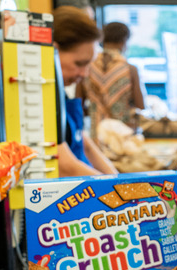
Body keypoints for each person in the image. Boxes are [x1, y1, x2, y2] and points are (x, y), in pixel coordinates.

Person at [53, 6, 117, 176]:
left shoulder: (62, 93)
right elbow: (64, 165)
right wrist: (116, 188)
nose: (85, 73)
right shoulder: (39, 98)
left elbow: (85, 144)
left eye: (89, 65)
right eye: (79, 64)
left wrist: (119, 179)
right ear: (53, 50)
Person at [84, 22, 145, 140]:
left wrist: (96, 110)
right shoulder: (129, 69)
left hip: (96, 137)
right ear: (124, 41)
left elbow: (78, 104)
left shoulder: (87, 67)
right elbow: (140, 106)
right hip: (122, 135)